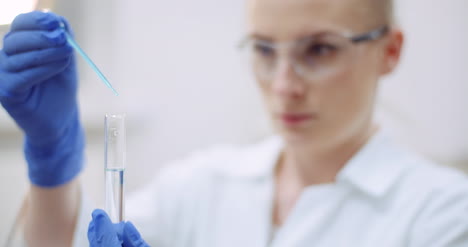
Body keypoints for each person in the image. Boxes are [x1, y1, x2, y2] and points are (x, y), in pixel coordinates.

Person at [1, 0, 468, 246]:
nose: (284, 84)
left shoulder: (445, 214)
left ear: (389, 51)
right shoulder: (199, 186)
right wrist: (53, 156)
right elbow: (63, 244)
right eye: (264, 50)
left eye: (319, 49)